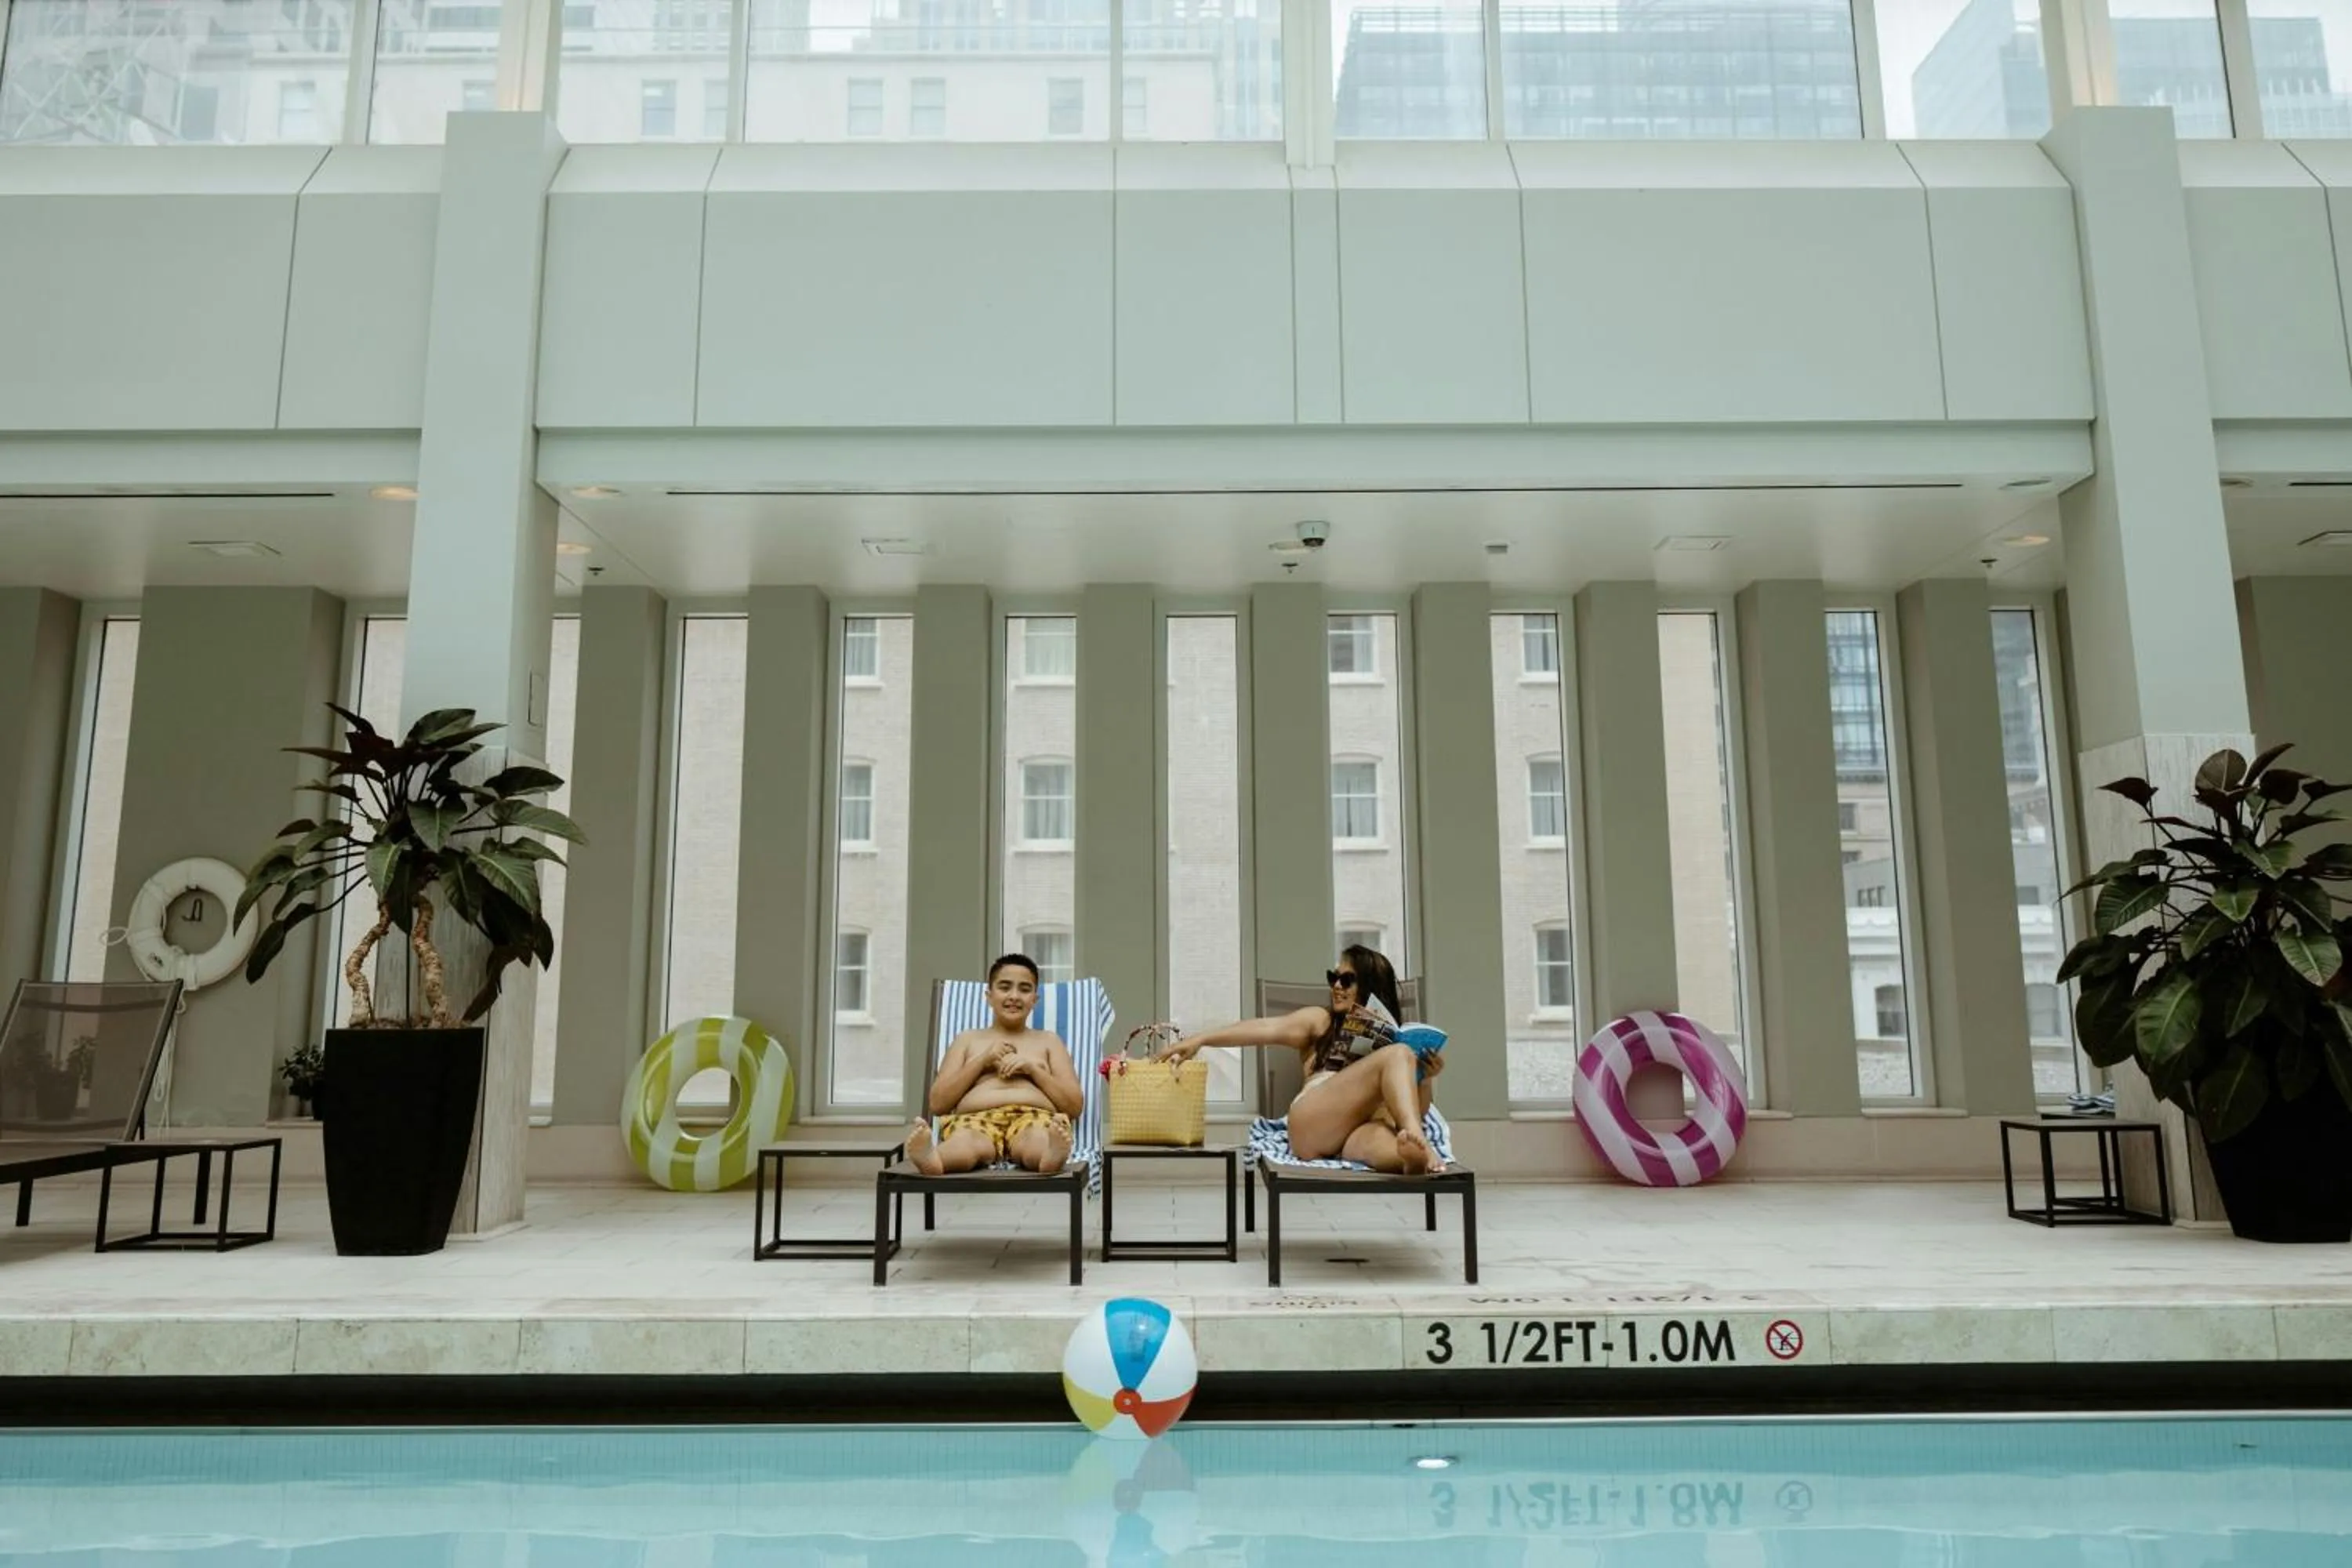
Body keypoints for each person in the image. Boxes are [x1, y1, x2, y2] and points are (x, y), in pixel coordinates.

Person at [1155, 944, 1445, 1175]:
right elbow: (1263, 1028)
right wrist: (1199, 1040)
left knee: (1388, 1140)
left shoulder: (1393, 1039)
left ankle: (1409, 1161)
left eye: (1347, 980)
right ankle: (1419, 1143)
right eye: (1334, 978)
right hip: (1314, 1123)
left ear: (1370, 988)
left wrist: (1427, 1079)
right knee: (1398, 1055)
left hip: (1358, 1132)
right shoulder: (1321, 1020)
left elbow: (1413, 1112)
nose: (1337, 986)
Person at [903, 953, 1086, 1175]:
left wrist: (1033, 1070)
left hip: (1034, 1119)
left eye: (1025, 989)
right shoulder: (967, 1040)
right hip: (974, 1120)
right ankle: (934, 1160)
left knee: (1036, 1140)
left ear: (1035, 1001)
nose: (1014, 996)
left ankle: (1050, 1157)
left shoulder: (1048, 1042)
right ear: (989, 996)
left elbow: (1074, 1106)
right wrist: (982, 1062)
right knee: (966, 1144)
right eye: (1005, 987)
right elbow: (938, 1103)